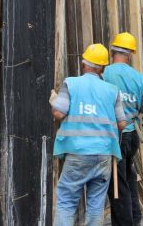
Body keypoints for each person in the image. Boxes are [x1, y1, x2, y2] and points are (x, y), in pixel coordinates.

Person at [49, 43, 128, 226]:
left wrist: (54, 102)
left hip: (78, 152)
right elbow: (122, 123)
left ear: (84, 64)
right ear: (103, 67)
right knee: (96, 204)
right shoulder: (112, 90)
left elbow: (59, 113)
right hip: (104, 155)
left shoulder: (71, 83)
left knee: (67, 202)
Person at [102, 33, 143, 226]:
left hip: (114, 136)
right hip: (131, 135)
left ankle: (125, 223)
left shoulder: (104, 73)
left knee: (117, 183)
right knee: (129, 175)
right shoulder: (138, 78)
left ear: (112, 51)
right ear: (130, 54)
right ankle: (135, 217)